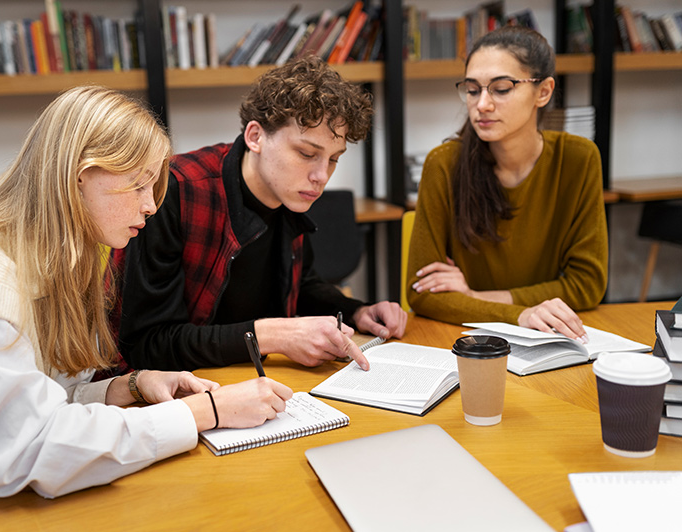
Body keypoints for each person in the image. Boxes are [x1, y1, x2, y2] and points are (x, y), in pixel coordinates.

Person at [0, 86, 292, 532]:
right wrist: (205, 413)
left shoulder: (60, 261)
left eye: (152, 185)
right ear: (76, 177)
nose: (150, 205)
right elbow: (31, 451)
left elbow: (39, 403)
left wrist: (128, 388)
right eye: (137, 183)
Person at [114, 56, 408, 374]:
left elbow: (300, 284)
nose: (321, 176)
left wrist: (356, 311)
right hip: (178, 388)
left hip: (258, 379)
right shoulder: (174, 191)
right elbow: (147, 346)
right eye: (306, 154)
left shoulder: (291, 193)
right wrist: (269, 335)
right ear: (255, 137)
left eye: (333, 159)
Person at [406, 26, 608, 342]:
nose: (482, 105)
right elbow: (422, 294)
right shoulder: (443, 164)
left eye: (501, 89)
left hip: (553, 341)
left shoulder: (578, 159)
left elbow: (587, 285)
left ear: (543, 91)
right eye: (473, 90)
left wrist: (475, 295)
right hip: (467, 343)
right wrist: (520, 314)